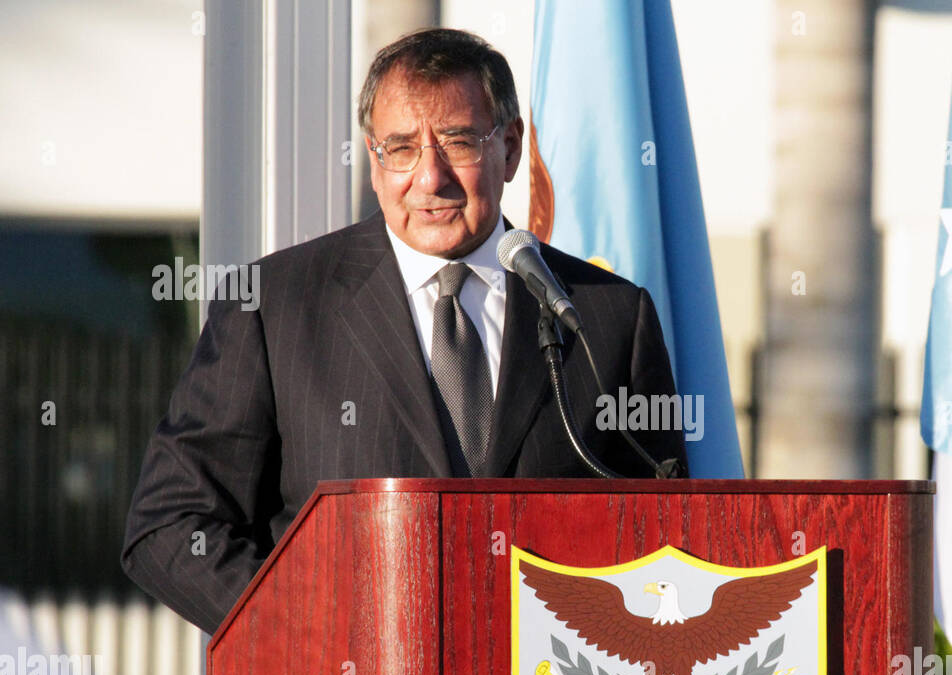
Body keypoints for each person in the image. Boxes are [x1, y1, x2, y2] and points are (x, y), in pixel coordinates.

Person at [122, 29, 687, 635]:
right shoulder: (272, 306)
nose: (429, 177)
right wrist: (306, 638)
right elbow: (170, 524)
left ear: (513, 148)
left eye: (459, 142)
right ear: (373, 160)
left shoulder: (606, 317)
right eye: (400, 148)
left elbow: (670, 535)